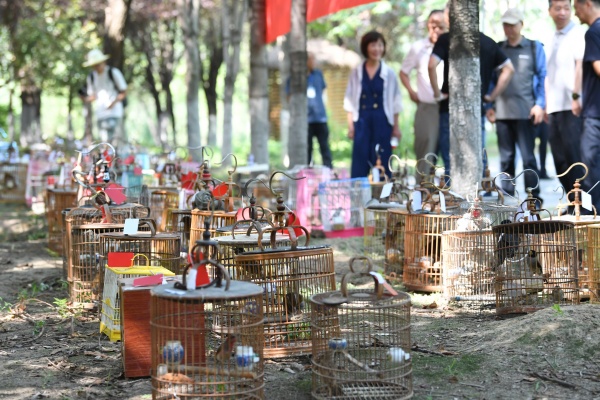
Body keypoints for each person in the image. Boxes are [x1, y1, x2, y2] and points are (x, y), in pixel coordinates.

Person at [428, 7, 514, 178]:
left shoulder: (446, 39)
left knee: (450, 161)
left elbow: (431, 65)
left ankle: (452, 193)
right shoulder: (488, 42)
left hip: (449, 107)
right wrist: (491, 96)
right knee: (477, 160)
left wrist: (437, 94)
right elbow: (509, 69)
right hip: (476, 108)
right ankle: (477, 193)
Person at [486, 8, 546, 201]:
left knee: (529, 159)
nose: (509, 28)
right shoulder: (498, 48)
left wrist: (540, 104)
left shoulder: (534, 47)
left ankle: (533, 198)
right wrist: (489, 106)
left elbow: (542, 77)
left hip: (526, 112)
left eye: (513, 24)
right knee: (506, 158)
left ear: (522, 24)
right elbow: (490, 80)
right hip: (502, 113)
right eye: (506, 24)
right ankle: (506, 197)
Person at [344, 31, 402, 179]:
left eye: (380, 45)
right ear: (366, 47)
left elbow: (396, 102)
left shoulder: (389, 73)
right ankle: (359, 192)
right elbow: (350, 100)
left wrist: (396, 127)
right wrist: (351, 126)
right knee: (360, 160)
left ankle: (383, 192)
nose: (377, 49)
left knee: (382, 158)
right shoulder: (357, 72)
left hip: (382, 121)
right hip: (361, 121)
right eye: (373, 45)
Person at [400, 9, 446, 175]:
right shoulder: (418, 47)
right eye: (433, 25)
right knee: (425, 152)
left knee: (449, 153)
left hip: (448, 107)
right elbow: (403, 72)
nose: (436, 29)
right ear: (427, 25)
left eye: (440, 26)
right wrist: (412, 92)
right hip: (427, 107)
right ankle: (424, 188)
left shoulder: (451, 46)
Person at [546, 0, 585, 193]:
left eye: (566, 8)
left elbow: (580, 66)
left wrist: (576, 97)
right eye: (558, 8)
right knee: (559, 159)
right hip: (553, 107)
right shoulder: (551, 37)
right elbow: (548, 74)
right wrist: (545, 104)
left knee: (574, 157)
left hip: (572, 106)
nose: (562, 12)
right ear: (550, 11)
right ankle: (571, 200)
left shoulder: (577, 33)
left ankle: (583, 203)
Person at [574, 0, 600, 211]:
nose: (576, 13)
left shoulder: (593, 32)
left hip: (595, 113)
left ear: (588, 4)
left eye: (576, 7)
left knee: (589, 165)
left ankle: (593, 214)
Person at [81, 49, 128, 145]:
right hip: (101, 114)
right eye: (94, 65)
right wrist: (85, 99)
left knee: (117, 141)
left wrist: (113, 103)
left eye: (98, 64)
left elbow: (123, 91)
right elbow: (93, 96)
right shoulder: (91, 77)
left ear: (103, 62)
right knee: (104, 142)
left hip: (115, 113)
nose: (96, 67)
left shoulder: (113, 72)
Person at [304, 53, 333, 168]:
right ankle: (307, 173)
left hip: (320, 118)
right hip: (306, 120)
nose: (313, 62)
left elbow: (323, 92)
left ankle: (329, 171)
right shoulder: (299, 77)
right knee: (307, 149)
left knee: (324, 147)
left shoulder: (318, 74)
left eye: (314, 59)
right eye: (310, 60)